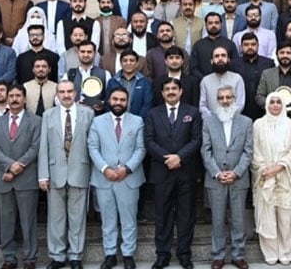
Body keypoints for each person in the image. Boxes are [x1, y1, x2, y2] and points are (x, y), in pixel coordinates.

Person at [145, 78, 202, 269]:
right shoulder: (153, 114)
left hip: (186, 171)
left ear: (181, 91)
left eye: (174, 89)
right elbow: (149, 141)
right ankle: (163, 254)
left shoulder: (192, 112)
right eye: (167, 89)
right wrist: (166, 158)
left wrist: (180, 157)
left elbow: (196, 139)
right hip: (162, 171)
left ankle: (184, 254)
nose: (170, 92)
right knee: (163, 215)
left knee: (186, 214)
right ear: (162, 93)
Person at [37, 80, 94, 269]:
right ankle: (57, 256)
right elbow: (43, 146)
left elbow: (92, 145)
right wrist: (43, 175)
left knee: (78, 217)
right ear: (57, 95)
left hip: (80, 170)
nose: (66, 95)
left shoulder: (88, 113)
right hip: (55, 173)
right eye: (62, 92)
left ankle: (75, 255)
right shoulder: (48, 115)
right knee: (56, 218)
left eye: (70, 91)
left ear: (76, 93)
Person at [88, 87, 145, 269]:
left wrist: (126, 169)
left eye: (122, 100)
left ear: (127, 102)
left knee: (129, 219)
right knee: (108, 219)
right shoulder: (97, 122)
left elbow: (141, 149)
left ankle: (128, 254)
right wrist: (105, 169)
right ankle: (110, 254)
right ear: (108, 101)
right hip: (104, 178)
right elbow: (93, 148)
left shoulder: (137, 121)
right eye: (115, 99)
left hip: (128, 179)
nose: (118, 103)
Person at [200, 86, 253, 269]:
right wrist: (217, 173)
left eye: (228, 97)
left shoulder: (246, 122)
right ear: (217, 100)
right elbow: (205, 150)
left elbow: (248, 151)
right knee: (218, 219)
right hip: (216, 179)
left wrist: (236, 172)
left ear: (234, 99)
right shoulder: (208, 121)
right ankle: (218, 256)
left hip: (239, 178)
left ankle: (238, 255)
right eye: (221, 98)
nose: (225, 101)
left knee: (238, 219)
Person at [0, 84, 42, 269]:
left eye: (18, 96)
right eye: (11, 96)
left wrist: (19, 166)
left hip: (26, 177)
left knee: (28, 221)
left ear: (25, 99)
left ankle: (30, 258)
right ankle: (9, 258)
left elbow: (35, 147)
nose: (14, 99)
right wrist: (10, 166)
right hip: (3, 178)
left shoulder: (36, 121)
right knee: (6, 221)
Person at [251, 92, 291, 266]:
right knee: (267, 216)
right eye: (271, 102)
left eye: (278, 102)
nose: (275, 105)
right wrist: (265, 169)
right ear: (266, 104)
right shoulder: (258, 124)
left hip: (286, 176)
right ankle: (270, 253)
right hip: (265, 176)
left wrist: (279, 167)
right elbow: (254, 149)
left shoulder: (290, 124)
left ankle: (286, 252)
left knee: (286, 218)